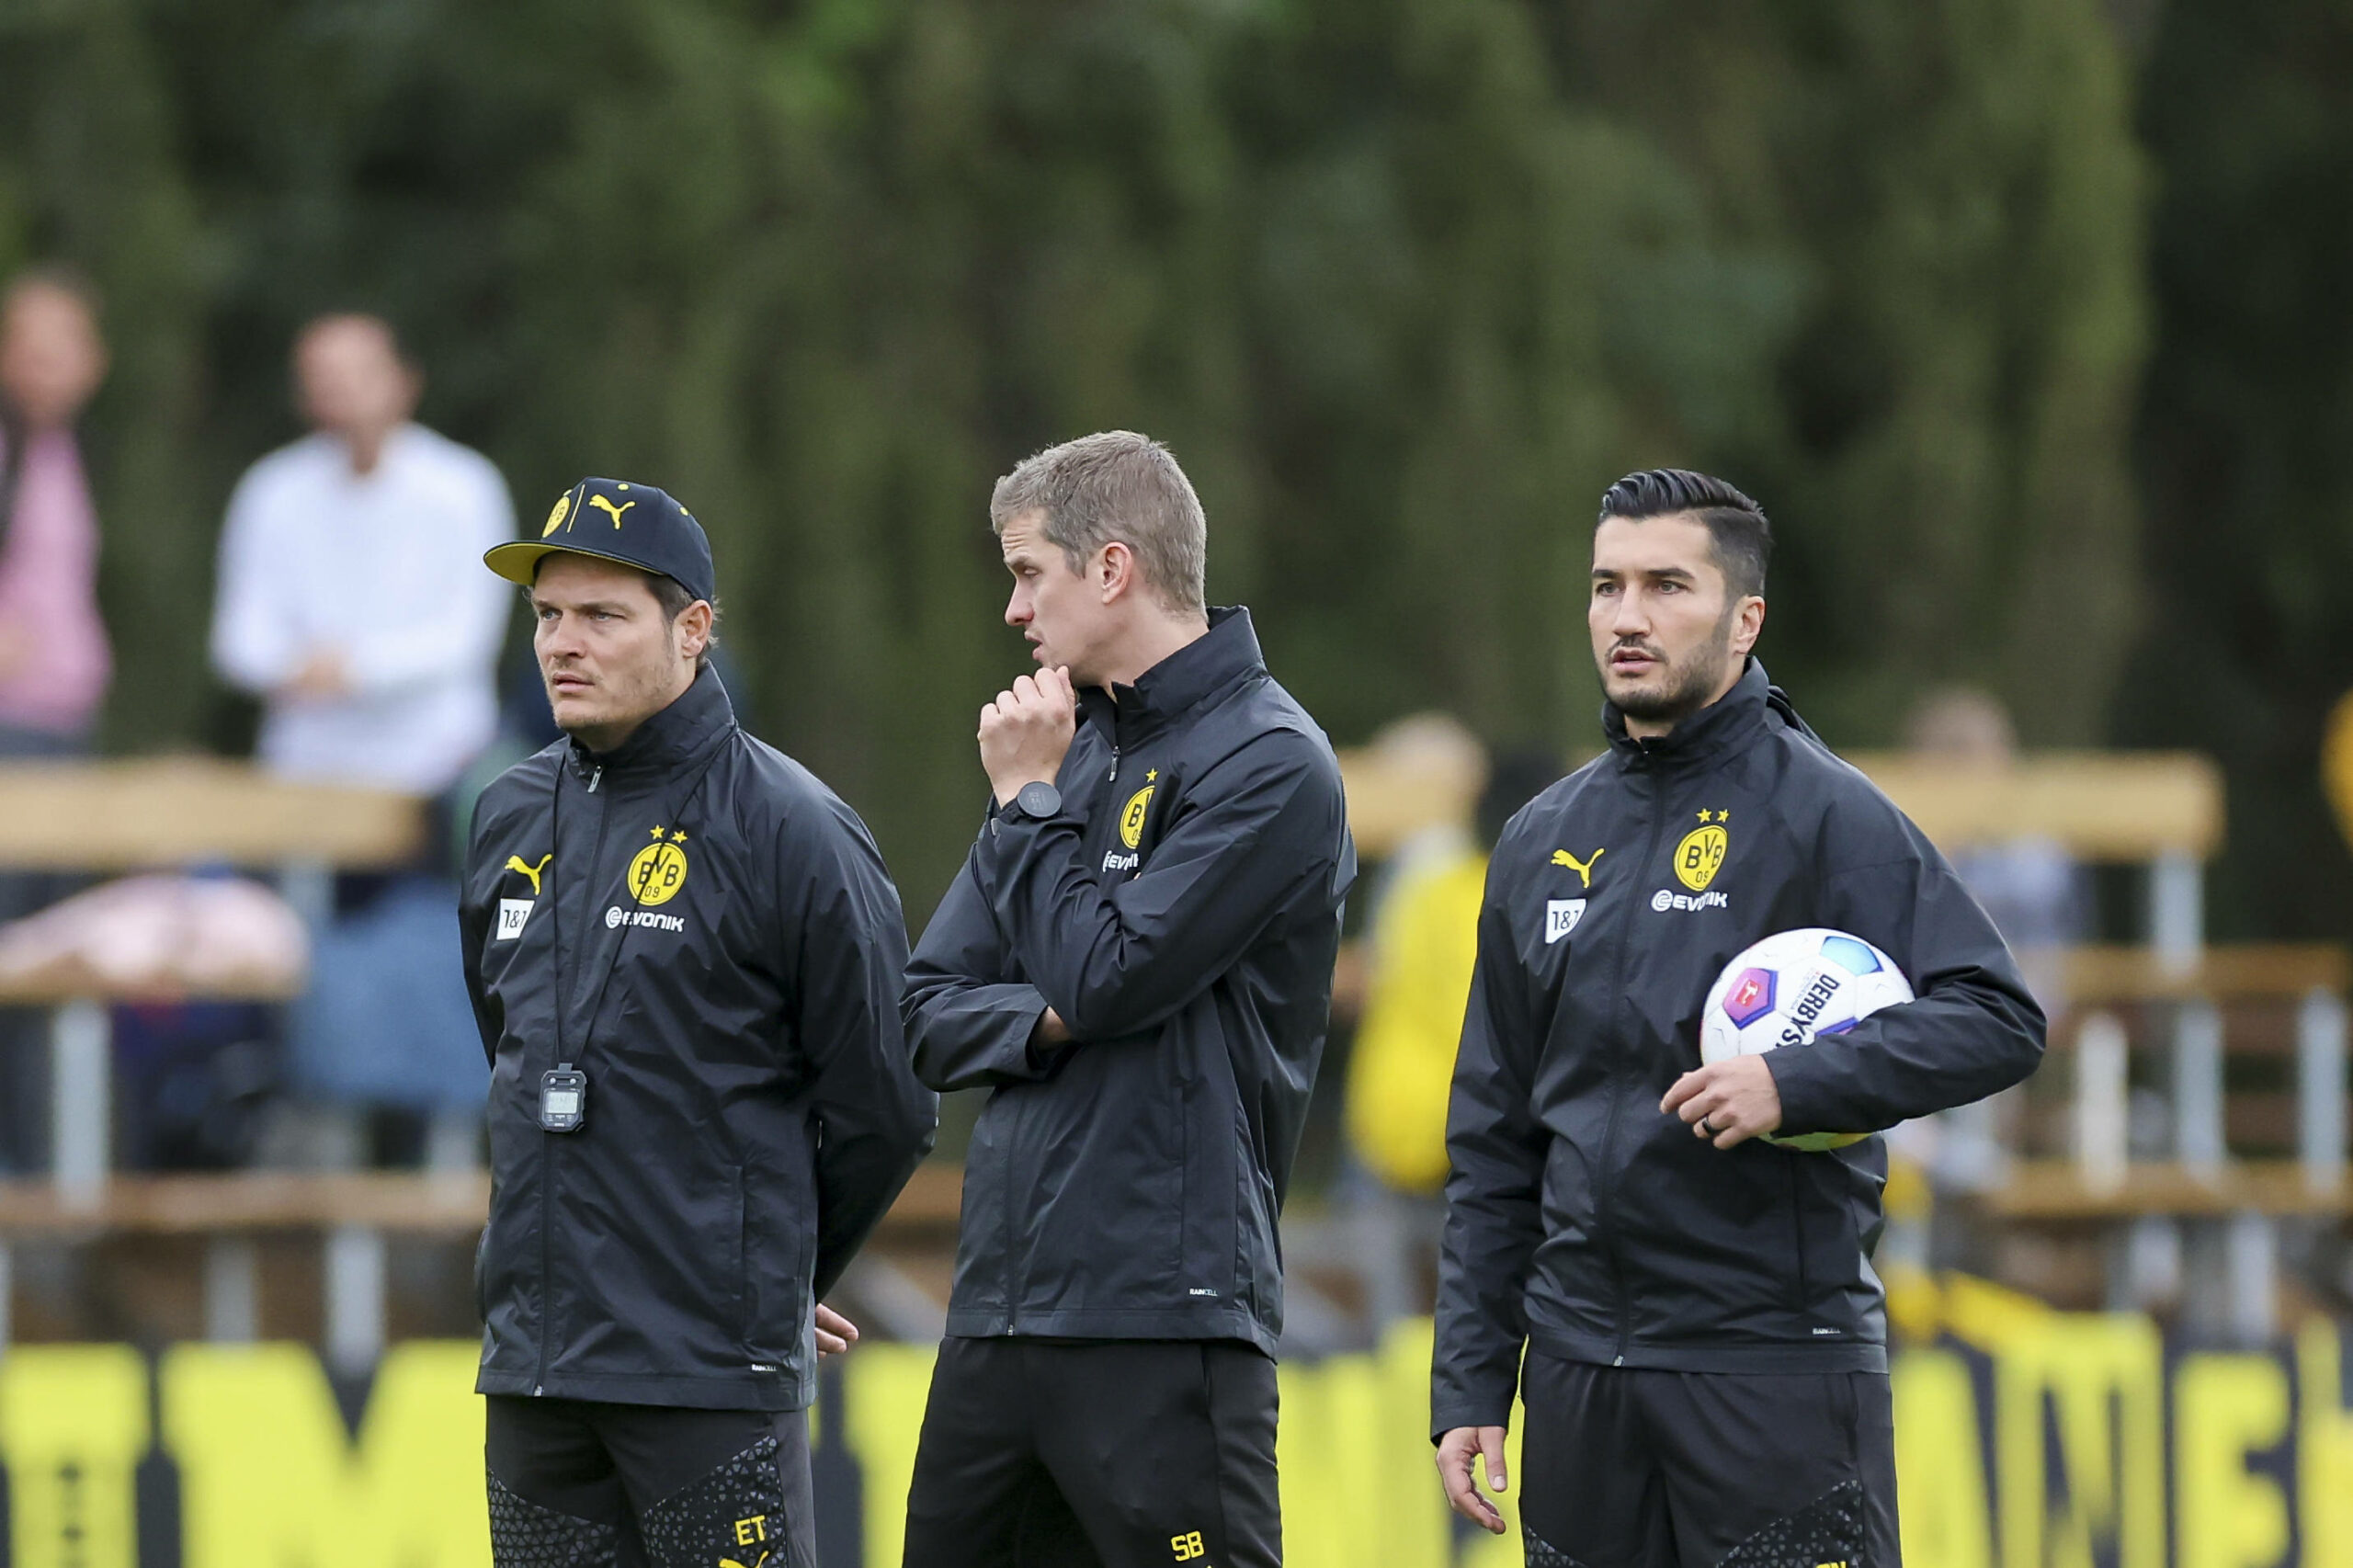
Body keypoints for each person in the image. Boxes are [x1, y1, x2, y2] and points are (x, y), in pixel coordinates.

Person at [1432, 470, 2045, 1566]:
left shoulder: (1826, 813)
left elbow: (1997, 1015)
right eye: (1606, 585)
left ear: (1743, 616)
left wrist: (1797, 1080)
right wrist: (1473, 1377)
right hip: (1579, 1377)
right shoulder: (1539, 839)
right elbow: (1493, 1136)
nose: (1627, 615)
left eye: (1667, 584)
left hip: (1771, 1367)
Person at [460, 478, 937, 1566]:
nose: (561, 644)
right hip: (534, 1376)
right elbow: (516, 1052)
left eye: (601, 615)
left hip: (707, 1378)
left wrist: (773, 1267)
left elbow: (890, 1102)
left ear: (693, 630)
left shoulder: (793, 827)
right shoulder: (503, 815)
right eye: (545, 615)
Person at [901, 431, 1355, 1567]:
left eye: (1025, 572)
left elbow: (1106, 973)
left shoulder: (1270, 761)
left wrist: (1026, 807)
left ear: (1111, 569)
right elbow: (926, 1007)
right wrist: (1042, 1018)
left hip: (1165, 1313)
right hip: (998, 1312)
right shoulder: (1065, 752)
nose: (1012, 611)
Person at [210, 312, 512, 795]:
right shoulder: (271, 490)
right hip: (305, 768)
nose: (340, 391)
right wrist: (294, 668)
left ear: (404, 381)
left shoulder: (464, 487)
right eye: (322, 377)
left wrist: (356, 669)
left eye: (358, 373)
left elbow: (468, 635)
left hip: (438, 765)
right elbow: (239, 639)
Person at [0, 269, 111, 756]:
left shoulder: (64, 452)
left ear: (95, 361)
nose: (43, 357)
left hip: (63, 715)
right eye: (28, 340)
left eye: (62, 340)